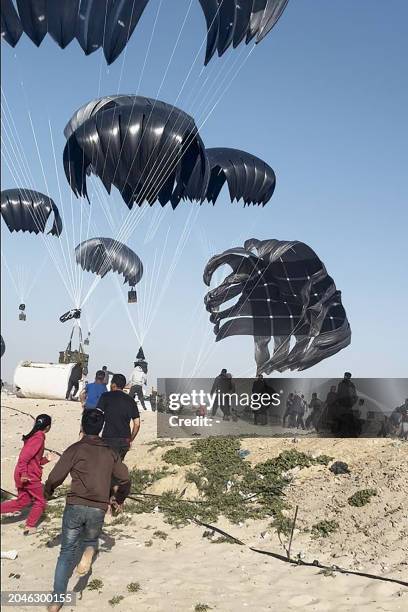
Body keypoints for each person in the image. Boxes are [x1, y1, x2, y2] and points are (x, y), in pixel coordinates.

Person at [44, 410, 131, 612]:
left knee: (66, 552)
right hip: (98, 508)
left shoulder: (75, 449)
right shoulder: (110, 452)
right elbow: (125, 478)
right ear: (101, 427)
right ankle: (90, 550)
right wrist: (118, 498)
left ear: (82, 426)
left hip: (75, 505)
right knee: (90, 540)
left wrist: (47, 492)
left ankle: (57, 601)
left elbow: (55, 477)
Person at [1, 414, 56, 534]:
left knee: (23, 502)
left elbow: (33, 460)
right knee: (40, 501)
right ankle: (30, 526)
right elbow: (23, 458)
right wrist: (25, 474)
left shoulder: (33, 436)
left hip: (22, 473)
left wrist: (46, 460)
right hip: (28, 476)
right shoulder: (38, 438)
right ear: (48, 427)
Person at [97, 373, 141, 460]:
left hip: (108, 438)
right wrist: (130, 439)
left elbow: (97, 415)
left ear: (113, 384)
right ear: (124, 385)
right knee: (118, 464)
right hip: (124, 440)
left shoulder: (106, 396)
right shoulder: (131, 400)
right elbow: (137, 424)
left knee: (106, 465)